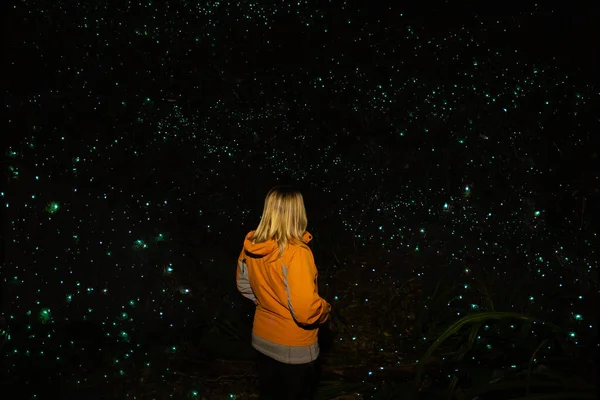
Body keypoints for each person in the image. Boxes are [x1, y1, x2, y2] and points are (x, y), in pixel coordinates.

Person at [236, 186, 331, 400]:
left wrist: (268, 303)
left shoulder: (252, 244)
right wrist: (325, 310)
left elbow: (243, 285)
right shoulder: (296, 253)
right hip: (293, 348)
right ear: (298, 212)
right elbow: (305, 311)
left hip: (261, 339)